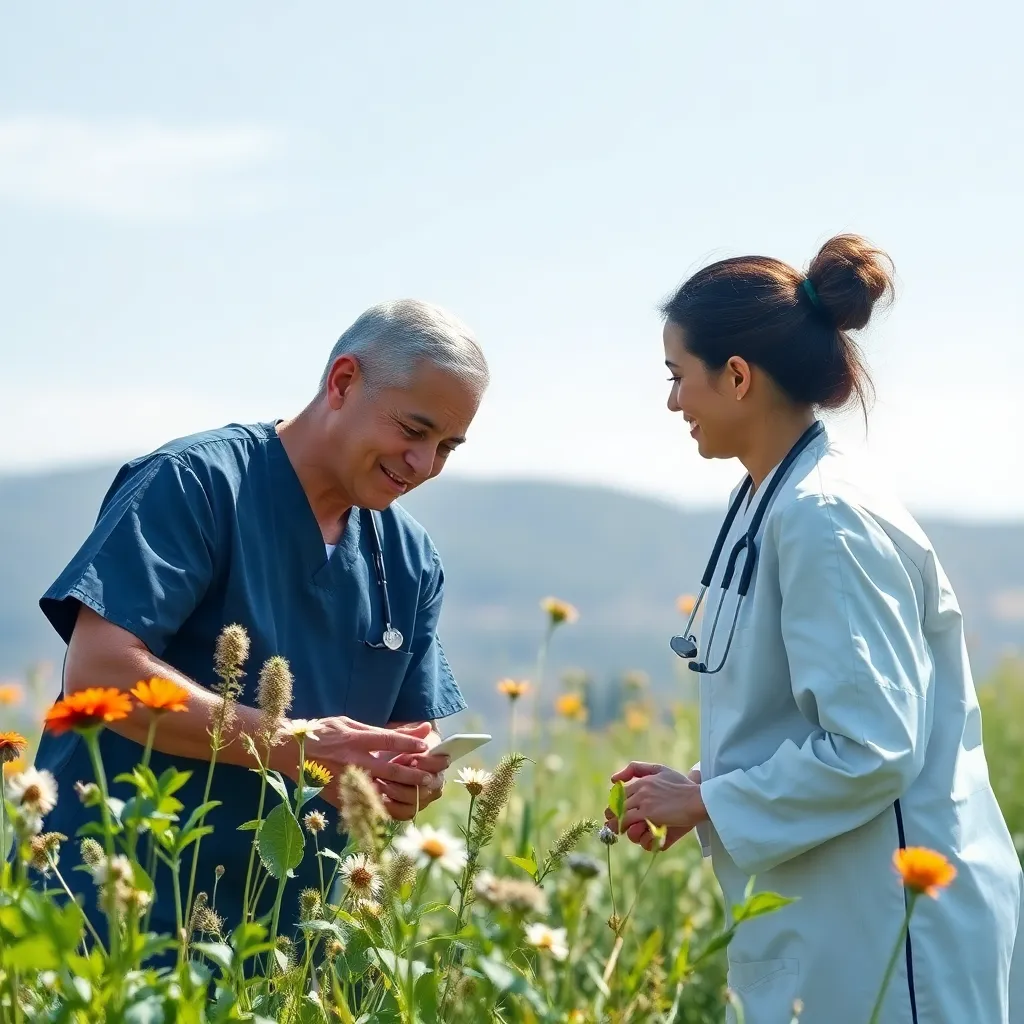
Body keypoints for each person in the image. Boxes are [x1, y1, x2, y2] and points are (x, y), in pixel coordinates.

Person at [605, 236, 1023, 1023]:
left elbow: (873, 748)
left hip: (900, 941)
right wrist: (699, 787)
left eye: (677, 377)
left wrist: (709, 805)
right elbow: (806, 720)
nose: (671, 403)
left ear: (736, 377)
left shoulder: (825, 518)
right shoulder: (777, 500)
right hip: (837, 920)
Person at [33, 298, 488, 944]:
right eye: (413, 431)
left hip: (282, 948)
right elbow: (99, 672)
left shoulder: (411, 561)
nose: (424, 466)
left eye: (447, 447)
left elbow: (408, 731)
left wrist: (405, 776)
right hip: (116, 915)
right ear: (342, 381)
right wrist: (294, 744)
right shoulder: (193, 484)